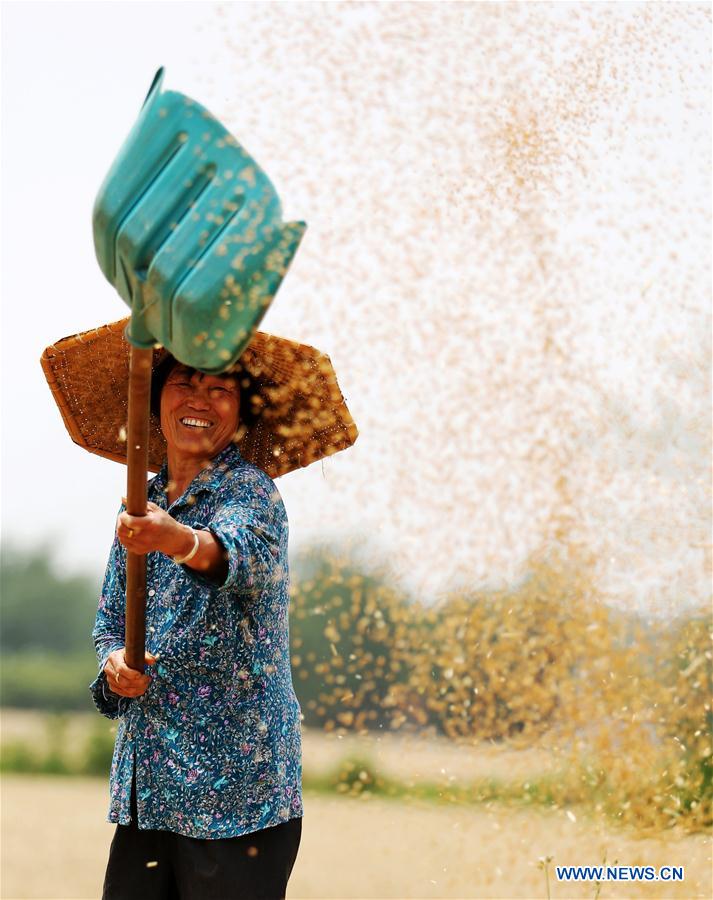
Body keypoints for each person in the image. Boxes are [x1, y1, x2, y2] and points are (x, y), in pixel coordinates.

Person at [90, 355, 303, 900]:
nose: (199, 401)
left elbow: (235, 555)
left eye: (219, 389)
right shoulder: (144, 501)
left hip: (236, 800)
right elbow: (111, 620)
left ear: (241, 412)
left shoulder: (253, 494)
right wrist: (116, 663)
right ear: (157, 402)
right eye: (184, 384)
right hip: (151, 792)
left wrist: (176, 539)